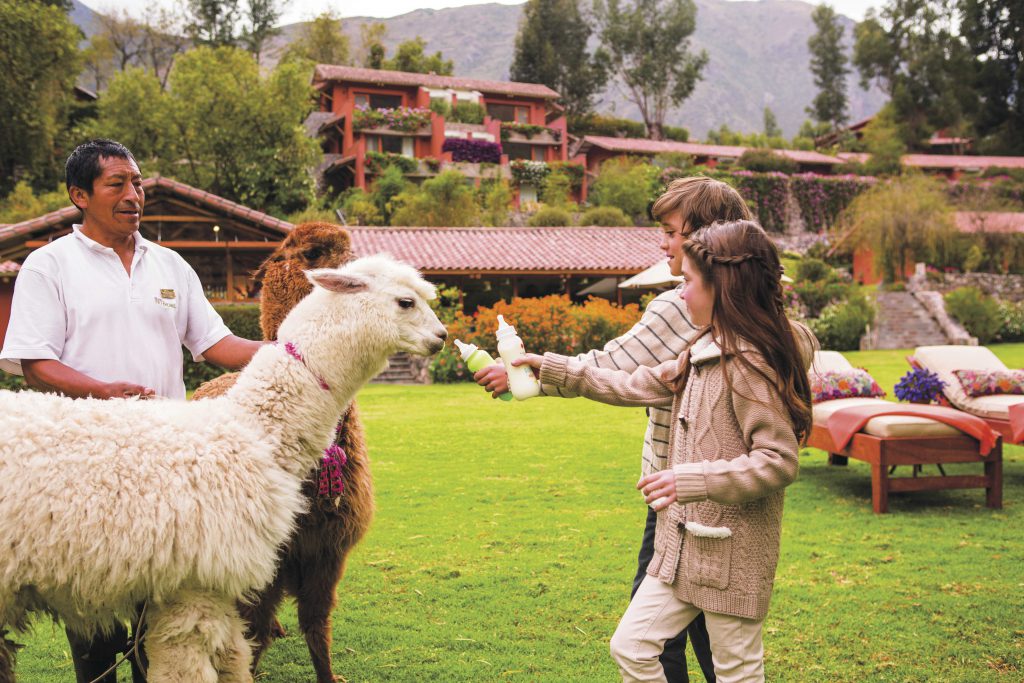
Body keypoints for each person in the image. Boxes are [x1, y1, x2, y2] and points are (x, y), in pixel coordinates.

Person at [0, 139, 265, 683]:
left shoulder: (169, 265)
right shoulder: (49, 266)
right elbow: (36, 365)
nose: (133, 195)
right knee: (94, 618)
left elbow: (216, 344)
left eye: (137, 182)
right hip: (84, 467)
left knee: (165, 620)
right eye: (115, 184)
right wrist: (101, 392)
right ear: (80, 194)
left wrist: (291, 350)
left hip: (165, 465)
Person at [475, 176, 751, 683]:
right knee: (718, 641)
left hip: (677, 491)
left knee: (658, 637)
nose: (662, 243)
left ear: (703, 237)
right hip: (723, 492)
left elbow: (619, 369)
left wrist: (535, 371)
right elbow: (652, 378)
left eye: (671, 231)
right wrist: (541, 369)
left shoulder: (678, 305)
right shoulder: (751, 310)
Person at [517, 219, 814, 682]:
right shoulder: (703, 347)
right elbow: (636, 384)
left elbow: (778, 461)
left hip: (731, 556)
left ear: (724, 289)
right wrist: (550, 368)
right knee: (632, 647)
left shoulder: (751, 363)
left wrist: (689, 480)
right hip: (680, 549)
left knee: (736, 672)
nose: (681, 294)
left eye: (689, 283)